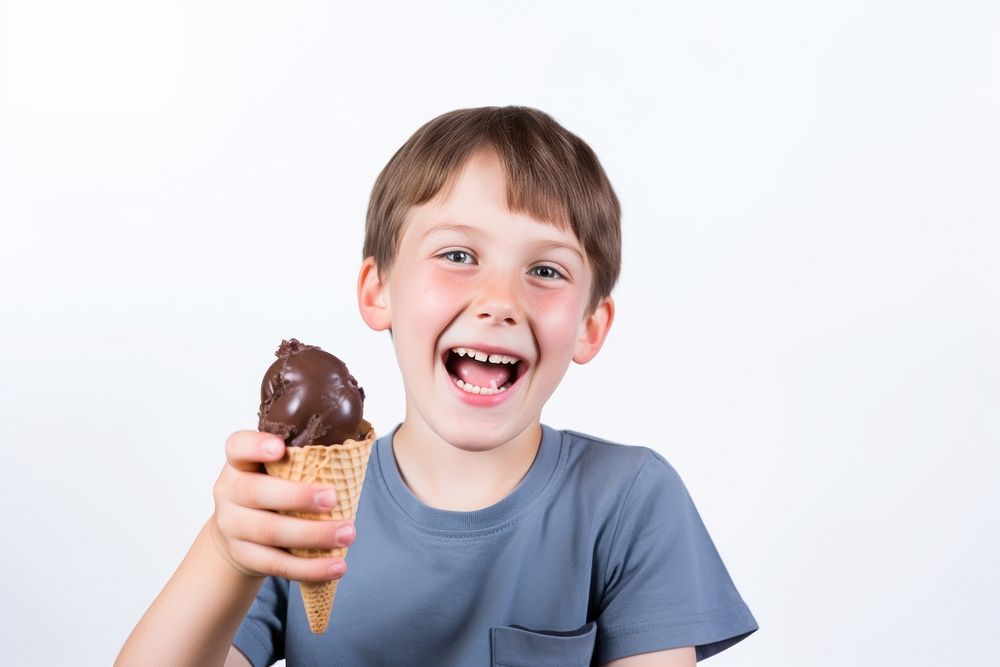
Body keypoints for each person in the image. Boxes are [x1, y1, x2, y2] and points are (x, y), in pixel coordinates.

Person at [116, 106, 758, 666]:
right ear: (378, 291)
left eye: (544, 268)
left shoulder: (630, 503)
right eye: (458, 256)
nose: (499, 301)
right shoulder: (302, 507)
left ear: (591, 325)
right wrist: (227, 553)